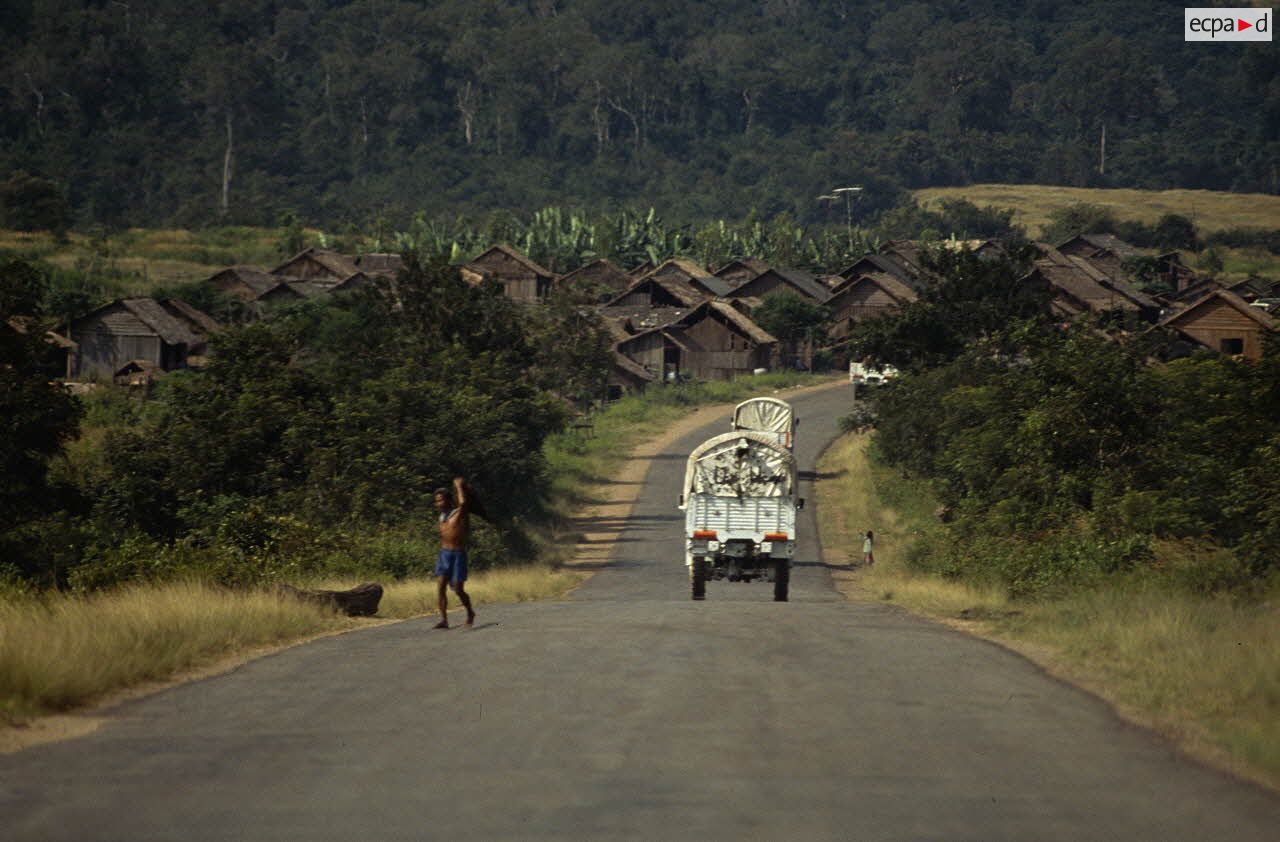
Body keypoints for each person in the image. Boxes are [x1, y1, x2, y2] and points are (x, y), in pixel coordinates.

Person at [434, 476, 476, 628]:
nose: (438, 504)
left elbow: (464, 503)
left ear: (448, 500)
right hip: (444, 555)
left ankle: (470, 612)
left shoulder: (458, 513)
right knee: (440, 587)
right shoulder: (441, 517)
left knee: (458, 589)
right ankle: (444, 620)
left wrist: (458, 486)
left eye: (441, 500)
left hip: (458, 555)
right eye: (437, 501)